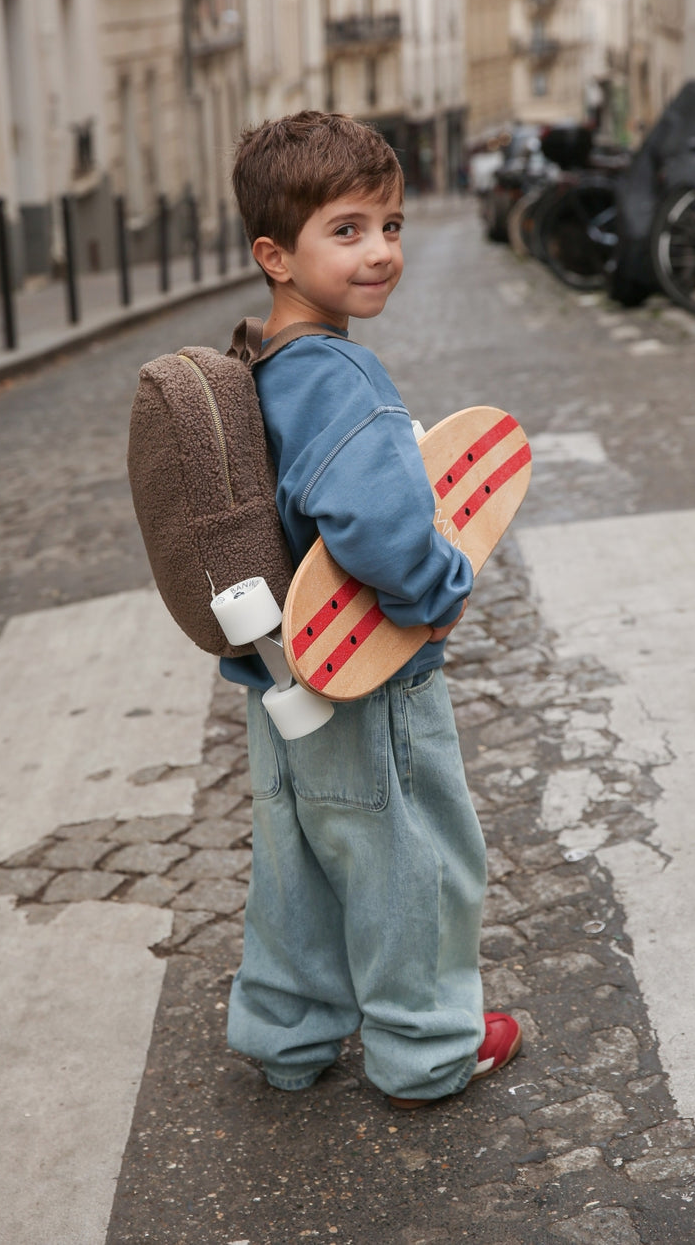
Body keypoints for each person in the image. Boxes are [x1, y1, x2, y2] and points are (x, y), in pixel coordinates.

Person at [223, 111, 521, 1109]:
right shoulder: (344, 378)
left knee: (296, 862)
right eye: (345, 230)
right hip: (366, 676)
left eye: (389, 225)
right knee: (412, 857)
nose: (381, 251)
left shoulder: (258, 367)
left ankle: (287, 1035)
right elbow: (379, 521)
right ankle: (427, 1046)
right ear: (275, 253)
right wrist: (437, 594)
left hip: (275, 675)